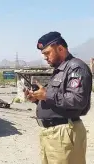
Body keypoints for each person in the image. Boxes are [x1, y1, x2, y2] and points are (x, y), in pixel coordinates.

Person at [24, 31, 92, 164]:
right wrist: (38, 98)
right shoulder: (60, 69)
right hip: (51, 134)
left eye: (47, 53)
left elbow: (77, 100)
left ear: (60, 48)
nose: (45, 57)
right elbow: (57, 99)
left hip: (65, 133)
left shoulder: (76, 68)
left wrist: (46, 95)